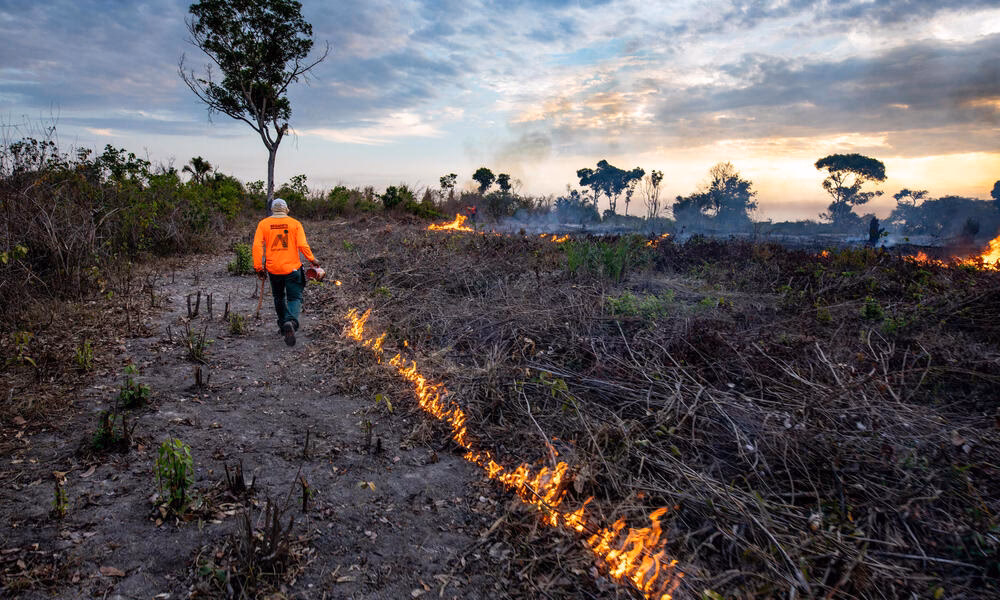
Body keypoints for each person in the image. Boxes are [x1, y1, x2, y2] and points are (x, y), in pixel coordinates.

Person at [252, 198, 320, 346]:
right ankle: (291, 322)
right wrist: (312, 259)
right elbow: (302, 244)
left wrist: (258, 267)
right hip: (292, 269)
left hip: (273, 269)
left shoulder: (263, 224)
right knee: (294, 298)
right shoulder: (295, 224)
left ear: (272, 210)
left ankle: (283, 325)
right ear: (286, 210)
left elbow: (257, 246)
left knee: (278, 297)